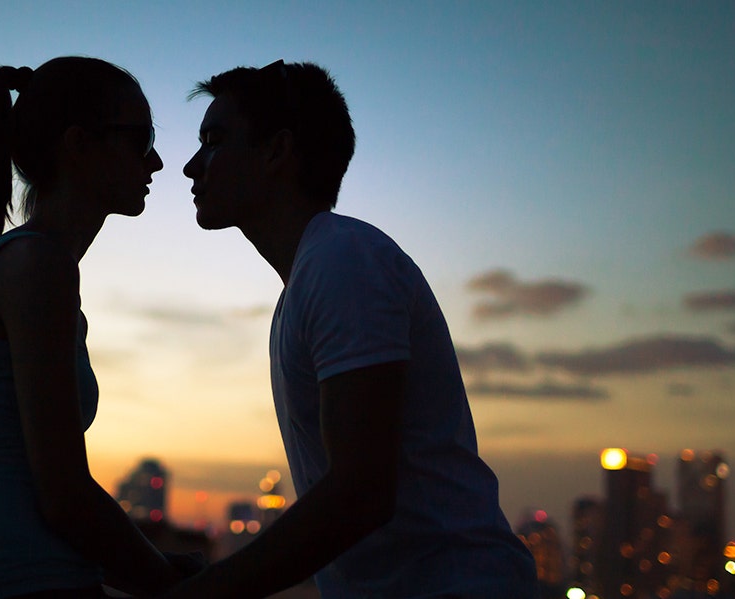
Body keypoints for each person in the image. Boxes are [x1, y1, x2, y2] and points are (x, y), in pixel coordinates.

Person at [170, 61, 537, 598]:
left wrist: (205, 592)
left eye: (215, 140)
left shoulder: (342, 261)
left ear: (276, 152)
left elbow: (359, 494)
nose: (190, 166)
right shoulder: (311, 277)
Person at [0, 56, 183, 598]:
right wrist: (179, 585)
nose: (155, 160)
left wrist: (158, 563)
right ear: (78, 144)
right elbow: (63, 496)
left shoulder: (33, 265)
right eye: (140, 138)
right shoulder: (37, 268)